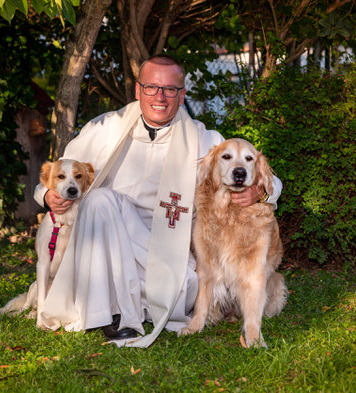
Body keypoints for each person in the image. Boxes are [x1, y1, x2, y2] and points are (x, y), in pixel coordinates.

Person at [33, 54, 282, 348]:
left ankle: (134, 305)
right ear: (138, 90)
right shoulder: (105, 128)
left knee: (182, 287)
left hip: (171, 253)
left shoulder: (203, 139)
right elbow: (56, 174)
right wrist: (47, 197)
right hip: (110, 244)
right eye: (151, 87)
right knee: (99, 200)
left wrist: (259, 192)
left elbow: (267, 179)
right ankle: (112, 316)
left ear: (182, 94)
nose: (160, 97)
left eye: (170, 89)